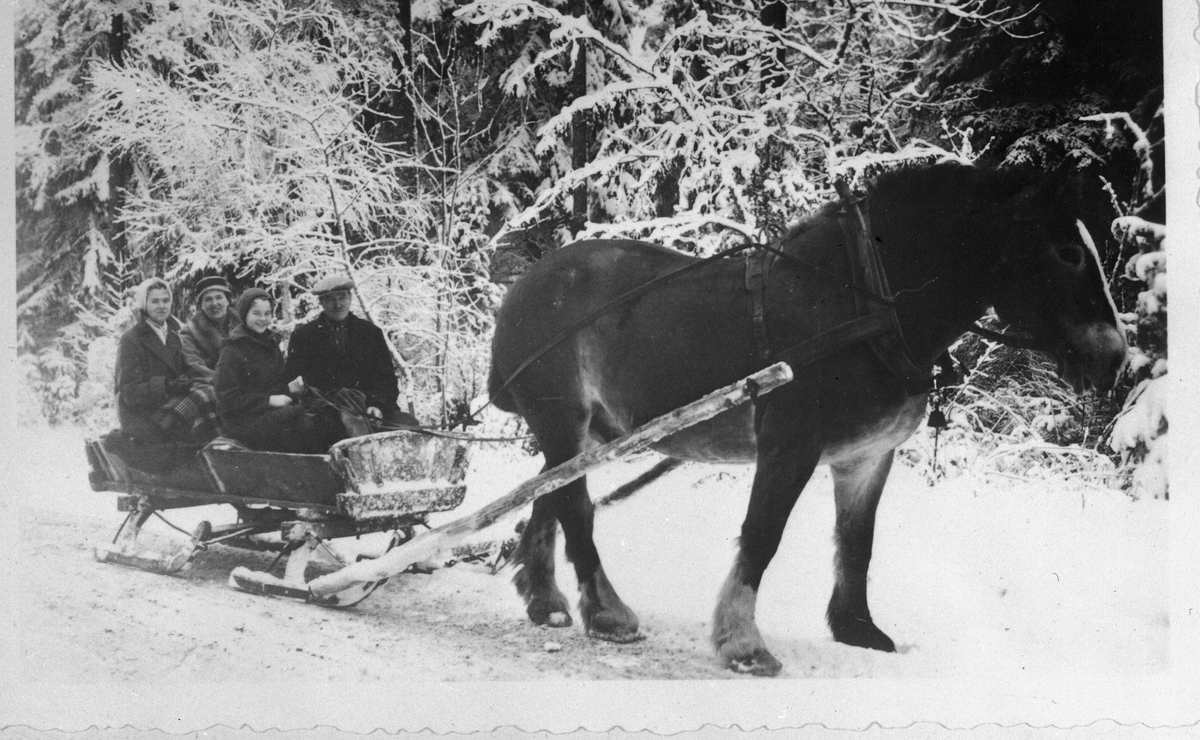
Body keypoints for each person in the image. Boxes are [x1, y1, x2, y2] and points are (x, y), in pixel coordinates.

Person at [285, 274, 419, 429]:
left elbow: (386, 380)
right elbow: (294, 381)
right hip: (325, 415)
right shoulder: (303, 337)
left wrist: (378, 406)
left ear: (350, 298)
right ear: (321, 302)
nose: (338, 305)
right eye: (330, 300)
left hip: (369, 410)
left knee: (409, 426)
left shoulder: (371, 333)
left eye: (342, 297)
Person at [214, 288, 326, 454]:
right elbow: (227, 401)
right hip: (244, 421)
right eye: (256, 313)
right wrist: (269, 400)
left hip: (267, 414)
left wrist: (289, 389)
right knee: (303, 428)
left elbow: (272, 384)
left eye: (267, 314)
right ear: (244, 314)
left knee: (320, 417)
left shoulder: (270, 344)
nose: (263, 319)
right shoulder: (232, 350)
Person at [114, 277, 220, 445]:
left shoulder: (175, 334)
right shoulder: (131, 339)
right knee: (204, 397)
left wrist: (186, 381)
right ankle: (213, 452)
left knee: (212, 394)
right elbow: (129, 392)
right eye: (155, 301)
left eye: (166, 300)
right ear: (144, 304)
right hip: (143, 414)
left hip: (172, 402)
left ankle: (220, 448)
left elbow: (185, 369)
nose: (162, 306)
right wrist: (167, 385)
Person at [180, 275, 239, 384]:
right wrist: (228, 382)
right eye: (208, 299)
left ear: (228, 301)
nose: (214, 303)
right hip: (215, 385)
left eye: (219, 297)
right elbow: (195, 366)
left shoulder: (242, 326)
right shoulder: (190, 333)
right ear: (201, 305)